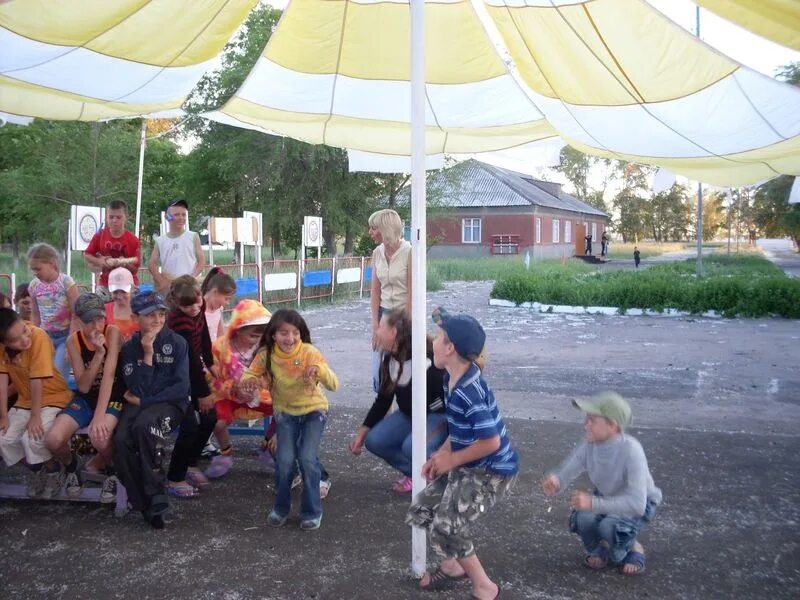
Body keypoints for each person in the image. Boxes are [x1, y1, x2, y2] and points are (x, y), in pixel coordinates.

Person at [406, 307, 518, 600]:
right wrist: (442, 455)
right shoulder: (451, 378)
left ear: (450, 347)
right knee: (422, 510)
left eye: (439, 337)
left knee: (448, 527)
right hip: (469, 463)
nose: (434, 341)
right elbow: (458, 430)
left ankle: (485, 586)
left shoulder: (469, 391)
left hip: (491, 471)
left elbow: (491, 442)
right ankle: (452, 564)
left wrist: (452, 460)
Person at [542, 392, 662, 576]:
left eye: (592, 420)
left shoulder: (631, 450)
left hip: (640, 503)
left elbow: (637, 504)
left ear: (612, 425)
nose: (585, 424)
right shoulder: (591, 444)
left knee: (609, 528)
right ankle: (601, 547)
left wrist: (593, 503)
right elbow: (570, 467)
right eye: (586, 419)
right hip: (608, 497)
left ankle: (635, 548)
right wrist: (557, 481)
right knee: (582, 518)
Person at [241, 309, 338, 530]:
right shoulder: (266, 355)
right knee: (284, 461)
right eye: (284, 333)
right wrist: (249, 382)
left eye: (295, 333)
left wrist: (320, 370)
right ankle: (280, 508)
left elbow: (334, 384)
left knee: (306, 458)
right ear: (273, 334)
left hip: (314, 411)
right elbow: (250, 374)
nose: (290, 338)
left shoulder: (309, 352)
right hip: (285, 414)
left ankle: (312, 511)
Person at [349, 308, 448, 494]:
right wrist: (363, 431)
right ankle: (419, 474)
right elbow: (383, 399)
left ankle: (442, 474)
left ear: (393, 332)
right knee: (375, 440)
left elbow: (449, 399)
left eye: (380, 327)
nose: (376, 331)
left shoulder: (427, 360)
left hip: (439, 415)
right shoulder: (388, 359)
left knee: (412, 447)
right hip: (408, 414)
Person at [113, 291, 189, 529]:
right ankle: (144, 502)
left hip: (169, 407)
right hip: (139, 405)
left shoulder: (177, 343)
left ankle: (156, 494)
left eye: (161, 314)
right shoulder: (130, 348)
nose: (157, 320)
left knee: (145, 426)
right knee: (120, 441)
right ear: (136, 317)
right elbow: (136, 387)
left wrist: (146, 401)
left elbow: (180, 389)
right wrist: (147, 353)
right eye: (150, 316)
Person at [44, 293, 123, 499]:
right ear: (78, 320)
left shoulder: (112, 332)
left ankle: (113, 469)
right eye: (89, 321)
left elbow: (110, 375)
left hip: (113, 393)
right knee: (53, 439)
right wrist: (98, 355)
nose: (96, 326)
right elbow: (84, 386)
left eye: (99, 318)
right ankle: (72, 467)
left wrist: (99, 416)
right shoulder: (74, 340)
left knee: (100, 435)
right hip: (87, 397)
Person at [0, 307, 73, 498]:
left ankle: (53, 469)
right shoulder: (2, 350)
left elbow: (36, 380)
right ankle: (36, 468)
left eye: (24, 330)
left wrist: (35, 417)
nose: (24, 339)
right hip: (26, 400)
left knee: (32, 438)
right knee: (4, 439)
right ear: (4, 343)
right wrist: (3, 416)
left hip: (53, 397)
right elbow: (2, 380)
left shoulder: (38, 336)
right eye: (15, 340)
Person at [205, 299, 272, 479]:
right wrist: (233, 390)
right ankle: (225, 454)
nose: (257, 340)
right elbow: (210, 378)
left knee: (287, 412)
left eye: (261, 336)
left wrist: (259, 385)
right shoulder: (220, 347)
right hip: (228, 396)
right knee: (218, 423)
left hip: (259, 395)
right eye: (252, 335)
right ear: (238, 329)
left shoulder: (265, 348)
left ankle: (267, 448)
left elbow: (273, 375)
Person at [165, 275, 216, 497]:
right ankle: (175, 477)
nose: (195, 308)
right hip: (177, 378)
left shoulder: (197, 309)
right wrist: (203, 393)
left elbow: (204, 339)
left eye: (197, 302)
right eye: (188, 305)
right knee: (191, 424)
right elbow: (192, 361)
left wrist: (213, 365)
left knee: (210, 417)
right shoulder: (178, 322)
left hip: (193, 374)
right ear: (176, 303)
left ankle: (191, 463)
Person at [368, 209, 411, 391]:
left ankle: (406, 409)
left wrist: (406, 325)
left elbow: (412, 292)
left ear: (386, 229)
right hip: (384, 313)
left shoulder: (410, 252)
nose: (370, 232)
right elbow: (375, 291)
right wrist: (375, 325)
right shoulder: (377, 253)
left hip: (404, 314)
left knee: (403, 364)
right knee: (381, 367)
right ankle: (384, 412)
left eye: (373, 228)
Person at [27, 243, 79, 382]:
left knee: (59, 375)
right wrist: (34, 339)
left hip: (64, 336)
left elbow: (76, 314)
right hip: (45, 336)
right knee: (43, 374)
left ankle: (59, 400)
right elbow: (36, 315)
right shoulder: (34, 286)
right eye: (32, 270)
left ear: (51, 263)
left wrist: (71, 343)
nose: (35, 273)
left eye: (38, 269)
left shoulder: (66, 283)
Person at [83, 200, 141, 301]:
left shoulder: (133, 240)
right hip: (106, 283)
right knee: (98, 306)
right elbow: (87, 254)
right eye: (111, 217)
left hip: (128, 284)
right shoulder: (99, 235)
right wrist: (100, 261)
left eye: (118, 217)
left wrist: (123, 263)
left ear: (126, 217)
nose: (114, 220)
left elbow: (135, 269)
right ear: (106, 217)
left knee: (134, 307)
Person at [148, 198, 205, 295]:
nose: (181, 218)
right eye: (176, 215)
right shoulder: (160, 241)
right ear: (167, 217)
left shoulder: (193, 236)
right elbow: (151, 264)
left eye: (183, 214)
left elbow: (202, 261)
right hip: (170, 289)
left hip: (189, 288)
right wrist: (160, 281)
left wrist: (192, 277)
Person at [202, 266, 236, 343]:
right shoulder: (198, 310)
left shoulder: (219, 309)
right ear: (215, 292)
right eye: (226, 298)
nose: (227, 303)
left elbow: (220, 334)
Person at [104, 267, 139, 341]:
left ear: (132, 289)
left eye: (123, 291)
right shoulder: (104, 310)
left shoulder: (141, 309)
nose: (119, 296)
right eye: (115, 292)